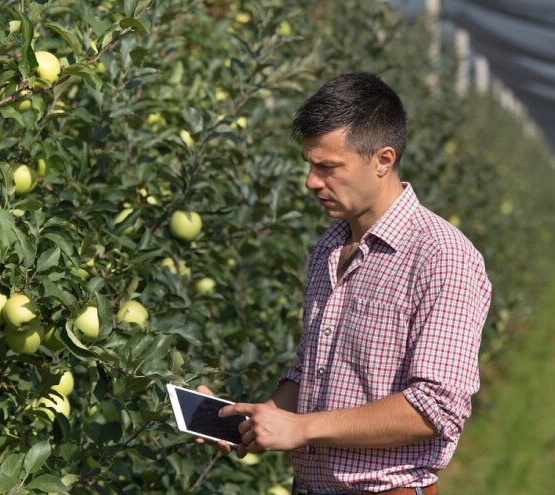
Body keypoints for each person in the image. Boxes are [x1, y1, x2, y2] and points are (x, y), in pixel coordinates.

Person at [200, 72, 492, 495]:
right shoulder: (329, 248)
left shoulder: (441, 256)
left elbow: (436, 409)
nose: (311, 182)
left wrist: (301, 429)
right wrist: (255, 422)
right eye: (310, 165)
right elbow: (311, 374)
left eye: (328, 167)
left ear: (383, 160)